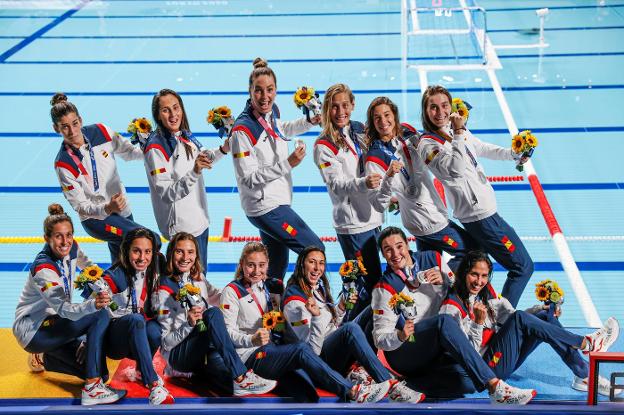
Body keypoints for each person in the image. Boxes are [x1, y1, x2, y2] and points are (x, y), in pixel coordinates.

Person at [371, 226, 535, 404]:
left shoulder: (433, 258)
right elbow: (380, 339)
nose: (395, 253)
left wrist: (445, 278)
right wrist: (401, 335)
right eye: (388, 250)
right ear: (383, 255)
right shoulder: (384, 288)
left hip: (439, 342)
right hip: (407, 351)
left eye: (399, 246)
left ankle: (408, 386)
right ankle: (495, 388)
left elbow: (458, 287)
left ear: (407, 245)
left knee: (464, 380)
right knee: (444, 322)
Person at [220, 241, 392, 403]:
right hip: (254, 355)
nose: (257, 270)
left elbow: (327, 326)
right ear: (242, 264)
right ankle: (356, 390)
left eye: (262, 265)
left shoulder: (273, 288)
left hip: (276, 351)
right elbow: (226, 334)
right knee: (338, 334)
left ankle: (373, 376)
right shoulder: (235, 291)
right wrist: (251, 340)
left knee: (371, 309)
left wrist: (340, 308)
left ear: (268, 265)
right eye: (251, 265)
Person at [440, 250, 621, 397]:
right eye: (474, 275)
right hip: (487, 369)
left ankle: (584, 376)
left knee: (543, 315)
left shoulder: (482, 294)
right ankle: (586, 343)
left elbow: (510, 318)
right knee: (521, 318)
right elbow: (467, 355)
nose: (479, 281)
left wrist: (540, 309)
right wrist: (478, 324)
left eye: (484, 276)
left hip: (502, 354)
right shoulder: (452, 308)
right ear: (464, 273)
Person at [417, 85, 533, 307]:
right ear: (425, 112)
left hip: (486, 213)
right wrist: (459, 133)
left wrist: (513, 154)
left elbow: (481, 148)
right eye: (433, 107)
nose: (440, 112)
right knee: (523, 266)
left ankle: (471, 309)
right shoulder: (427, 144)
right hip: (478, 215)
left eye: (444, 105)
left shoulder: (455, 130)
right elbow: (456, 169)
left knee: (480, 262)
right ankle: (500, 320)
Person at [13, 204, 125, 406]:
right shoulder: (43, 269)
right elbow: (65, 310)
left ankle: (44, 358)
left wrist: (103, 287)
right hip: (33, 330)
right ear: (46, 238)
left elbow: (89, 268)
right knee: (98, 314)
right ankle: (92, 388)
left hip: (55, 323)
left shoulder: (72, 247)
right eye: (58, 236)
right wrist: (94, 307)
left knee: (101, 371)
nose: (65, 242)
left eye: (69, 235)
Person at [283, 246, 425, 403]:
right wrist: (317, 317)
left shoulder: (315, 288)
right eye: (312, 262)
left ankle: (364, 370)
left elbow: (329, 326)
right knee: (350, 329)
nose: (317, 268)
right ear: (302, 265)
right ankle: (391, 387)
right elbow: (312, 352)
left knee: (374, 307)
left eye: (321, 263)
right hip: (319, 364)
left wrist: (341, 308)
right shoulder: (294, 302)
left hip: (330, 351)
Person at [230, 57, 324, 280]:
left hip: (276, 200)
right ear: (250, 92)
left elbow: (281, 130)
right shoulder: (242, 131)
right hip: (265, 207)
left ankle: (272, 308)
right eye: (259, 91)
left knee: (276, 267)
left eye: (270, 90)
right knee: (314, 250)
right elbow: (249, 179)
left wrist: (309, 122)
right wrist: (288, 164)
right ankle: (299, 299)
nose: (265, 97)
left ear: (276, 90)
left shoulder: (270, 112)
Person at [154, 232, 276, 396]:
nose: (185, 257)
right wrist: (188, 324)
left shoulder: (198, 279)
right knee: (213, 314)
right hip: (178, 357)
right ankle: (240, 377)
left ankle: (237, 380)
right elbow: (166, 344)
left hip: (200, 351)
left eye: (190, 252)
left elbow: (219, 296)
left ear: (196, 255)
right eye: (179, 251)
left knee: (220, 367)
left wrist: (245, 292)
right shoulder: (164, 289)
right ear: (171, 254)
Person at [364, 97, 477, 272]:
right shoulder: (374, 158)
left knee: (428, 266)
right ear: (372, 122)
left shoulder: (408, 131)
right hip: (427, 219)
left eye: (387, 115)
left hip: (429, 211)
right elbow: (379, 204)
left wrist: (455, 126)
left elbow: (430, 145)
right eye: (377, 118)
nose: (383, 122)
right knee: (473, 252)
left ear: (394, 115)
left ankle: (433, 283)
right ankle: (443, 276)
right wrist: (388, 177)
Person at [51, 93, 158, 263]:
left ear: (80, 119)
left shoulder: (101, 131)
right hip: (96, 220)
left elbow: (130, 153)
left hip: (122, 209)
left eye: (75, 123)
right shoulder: (63, 163)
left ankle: (118, 289)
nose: (72, 131)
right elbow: (81, 206)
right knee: (150, 240)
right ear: (56, 128)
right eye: (64, 127)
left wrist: (152, 146)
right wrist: (107, 208)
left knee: (122, 262)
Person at [313, 84, 384, 314]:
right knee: (364, 286)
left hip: (373, 216)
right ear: (327, 109)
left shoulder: (358, 129)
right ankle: (350, 332)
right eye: (334, 107)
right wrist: (364, 183)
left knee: (375, 282)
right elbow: (336, 185)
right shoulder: (323, 145)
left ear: (352, 105)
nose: (340, 111)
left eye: (345, 105)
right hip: (353, 224)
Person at [144, 88, 229, 271]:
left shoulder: (184, 136)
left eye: (176, 107)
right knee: (187, 290)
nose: (173, 114)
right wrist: (195, 171)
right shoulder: (156, 148)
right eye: (166, 110)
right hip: (182, 231)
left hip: (200, 223)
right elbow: (166, 194)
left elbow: (204, 157)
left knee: (200, 284)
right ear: (158, 115)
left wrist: (224, 149)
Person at [99, 228, 173, 404]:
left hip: (138, 333)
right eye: (136, 251)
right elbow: (92, 304)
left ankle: (141, 370)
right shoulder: (115, 275)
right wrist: (86, 340)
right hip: (115, 341)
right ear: (126, 251)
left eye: (147, 252)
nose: (142, 258)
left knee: (156, 329)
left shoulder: (156, 265)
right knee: (137, 319)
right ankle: (154, 384)